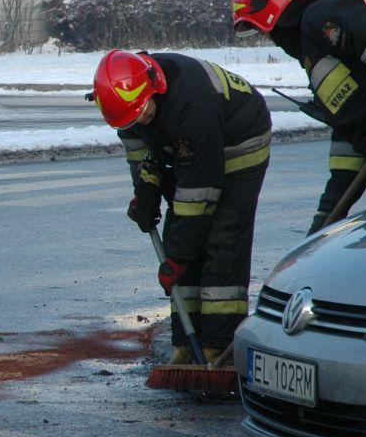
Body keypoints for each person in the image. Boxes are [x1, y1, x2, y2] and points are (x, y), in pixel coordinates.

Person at [91, 50, 272, 364]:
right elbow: (140, 155)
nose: (141, 121)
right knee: (179, 229)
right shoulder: (127, 105)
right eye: (132, 120)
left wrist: (178, 257)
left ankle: (220, 347)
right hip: (187, 148)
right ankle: (187, 347)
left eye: (143, 113)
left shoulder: (191, 102)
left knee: (221, 240)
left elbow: (201, 190)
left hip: (239, 141)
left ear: (154, 89)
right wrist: (145, 193)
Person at [233, 0, 366, 233]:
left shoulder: (321, 14)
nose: (269, 39)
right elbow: (351, 133)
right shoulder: (314, 51)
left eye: (264, 31)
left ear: (272, 14)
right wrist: (326, 217)